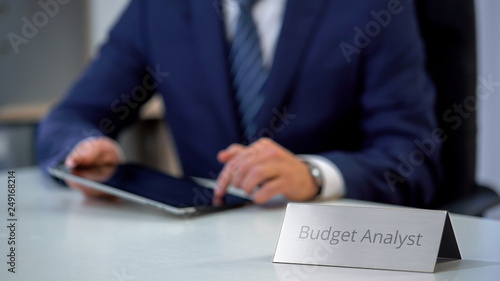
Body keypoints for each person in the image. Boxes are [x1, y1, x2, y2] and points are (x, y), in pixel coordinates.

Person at [36, 0, 441, 207]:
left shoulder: (371, 7)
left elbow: (413, 156)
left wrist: (315, 177)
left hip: (331, 249)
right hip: (205, 253)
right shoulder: (158, 8)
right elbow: (71, 116)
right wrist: (81, 149)